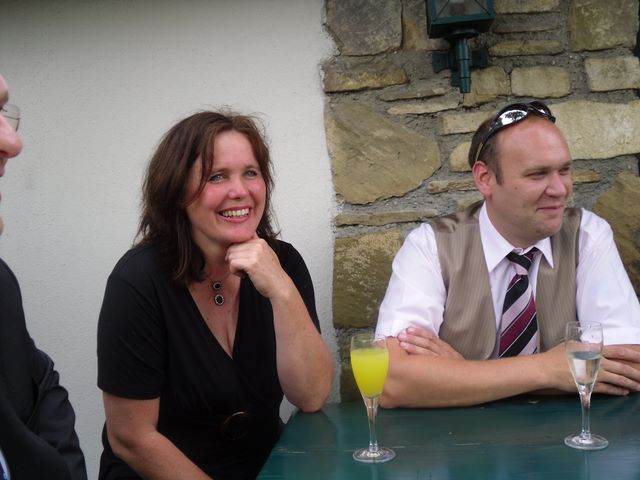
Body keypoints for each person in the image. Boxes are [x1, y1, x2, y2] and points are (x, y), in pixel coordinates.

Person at [97, 111, 333, 479]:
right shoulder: (138, 282)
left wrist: (282, 290)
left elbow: (312, 395)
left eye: (251, 173)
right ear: (177, 191)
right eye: (216, 176)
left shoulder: (283, 263)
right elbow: (132, 438)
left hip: (264, 469)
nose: (239, 191)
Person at [375, 100, 640, 408]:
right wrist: (547, 369)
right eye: (537, 174)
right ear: (485, 179)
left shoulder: (587, 235)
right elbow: (390, 381)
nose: (560, 189)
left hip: (567, 436)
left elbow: (629, 366)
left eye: (564, 170)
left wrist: (461, 372)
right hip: (462, 437)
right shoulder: (430, 246)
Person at [0, 74, 87, 479]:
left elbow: (42, 384)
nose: (13, 142)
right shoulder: (140, 278)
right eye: (216, 176)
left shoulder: (1, 284)